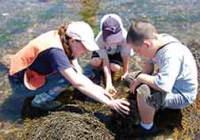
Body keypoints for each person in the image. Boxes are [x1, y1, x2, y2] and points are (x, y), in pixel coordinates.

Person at [9, 21, 130, 115]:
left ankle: (44, 89)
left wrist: (100, 90)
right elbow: (78, 83)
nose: (86, 51)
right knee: (67, 79)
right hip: (20, 83)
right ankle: (40, 101)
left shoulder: (63, 35)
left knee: (74, 72)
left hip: (24, 70)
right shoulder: (56, 52)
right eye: (84, 47)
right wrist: (109, 103)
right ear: (73, 41)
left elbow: (74, 63)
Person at [126, 19, 198, 136]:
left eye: (138, 51)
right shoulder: (157, 41)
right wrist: (138, 79)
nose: (138, 54)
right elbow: (149, 66)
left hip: (181, 94)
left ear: (147, 44)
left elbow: (163, 86)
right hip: (169, 81)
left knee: (143, 93)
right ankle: (149, 109)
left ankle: (147, 127)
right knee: (129, 78)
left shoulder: (171, 55)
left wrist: (142, 79)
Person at [91, 14, 133, 94]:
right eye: (110, 39)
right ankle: (97, 74)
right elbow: (105, 60)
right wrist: (108, 83)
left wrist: (125, 71)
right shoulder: (99, 40)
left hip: (116, 52)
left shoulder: (125, 37)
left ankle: (109, 69)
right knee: (95, 62)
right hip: (105, 52)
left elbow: (126, 55)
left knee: (115, 67)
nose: (113, 42)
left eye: (115, 38)